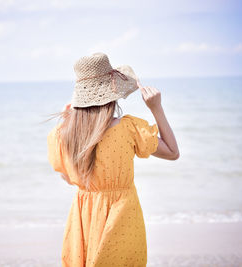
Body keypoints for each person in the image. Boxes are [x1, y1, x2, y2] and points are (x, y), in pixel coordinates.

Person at [47, 52, 179, 266]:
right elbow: (173, 152)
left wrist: (66, 121)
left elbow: (68, 177)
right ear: (112, 91)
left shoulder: (64, 134)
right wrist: (156, 108)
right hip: (122, 217)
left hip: (83, 219)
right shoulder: (128, 128)